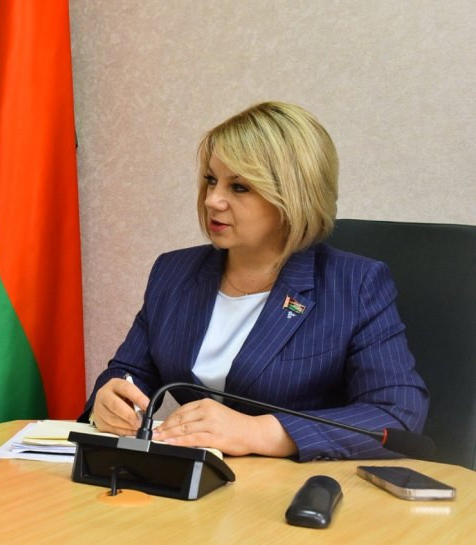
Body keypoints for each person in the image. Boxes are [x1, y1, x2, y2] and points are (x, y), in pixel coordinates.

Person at [82, 101, 428, 461]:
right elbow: (131, 373)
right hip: (190, 481)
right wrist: (111, 400)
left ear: (294, 196)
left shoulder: (354, 285)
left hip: (296, 484)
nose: (212, 200)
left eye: (239, 187)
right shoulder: (174, 272)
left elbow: (396, 415)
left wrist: (260, 432)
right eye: (211, 180)